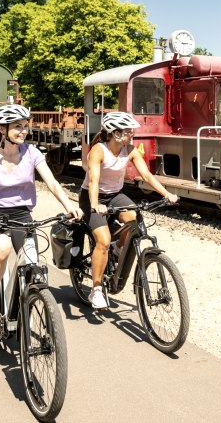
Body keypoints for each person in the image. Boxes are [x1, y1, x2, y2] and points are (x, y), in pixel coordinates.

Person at [0, 104, 83, 333]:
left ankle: (27, 301)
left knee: (32, 262)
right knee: (1, 248)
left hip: (21, 214)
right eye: (18, 127)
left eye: (25, 126)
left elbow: (51, 182)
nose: (24, 131)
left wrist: (70, 206)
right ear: (3, 129)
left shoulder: (31, 153)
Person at [80, 111, 178, 309]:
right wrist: (95, 205)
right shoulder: (99, 150)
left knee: (134, 218)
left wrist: (166, 194)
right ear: (115, 133)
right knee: (103, 240)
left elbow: (147, 176)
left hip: (115, 195)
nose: (131, 134)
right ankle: (96, 289)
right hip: (92, 196)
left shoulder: (130, 150)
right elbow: (93, 180)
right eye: (127, 131)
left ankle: (118, 248)